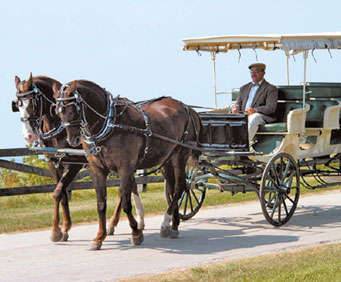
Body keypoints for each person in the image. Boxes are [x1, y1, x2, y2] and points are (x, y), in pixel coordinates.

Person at [231, 63, 278, 143]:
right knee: (224, 119)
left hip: (261, 117)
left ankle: (242, 145)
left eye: (256, 71)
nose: (253, 74)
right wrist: (235, 108)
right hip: (243, 115)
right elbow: (238, 103)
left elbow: (271, 108)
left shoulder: (271, 89)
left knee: (254, 118)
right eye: (251, 72)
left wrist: (255, 110)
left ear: (263, 73)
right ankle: (222, 146)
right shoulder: (244, 88)